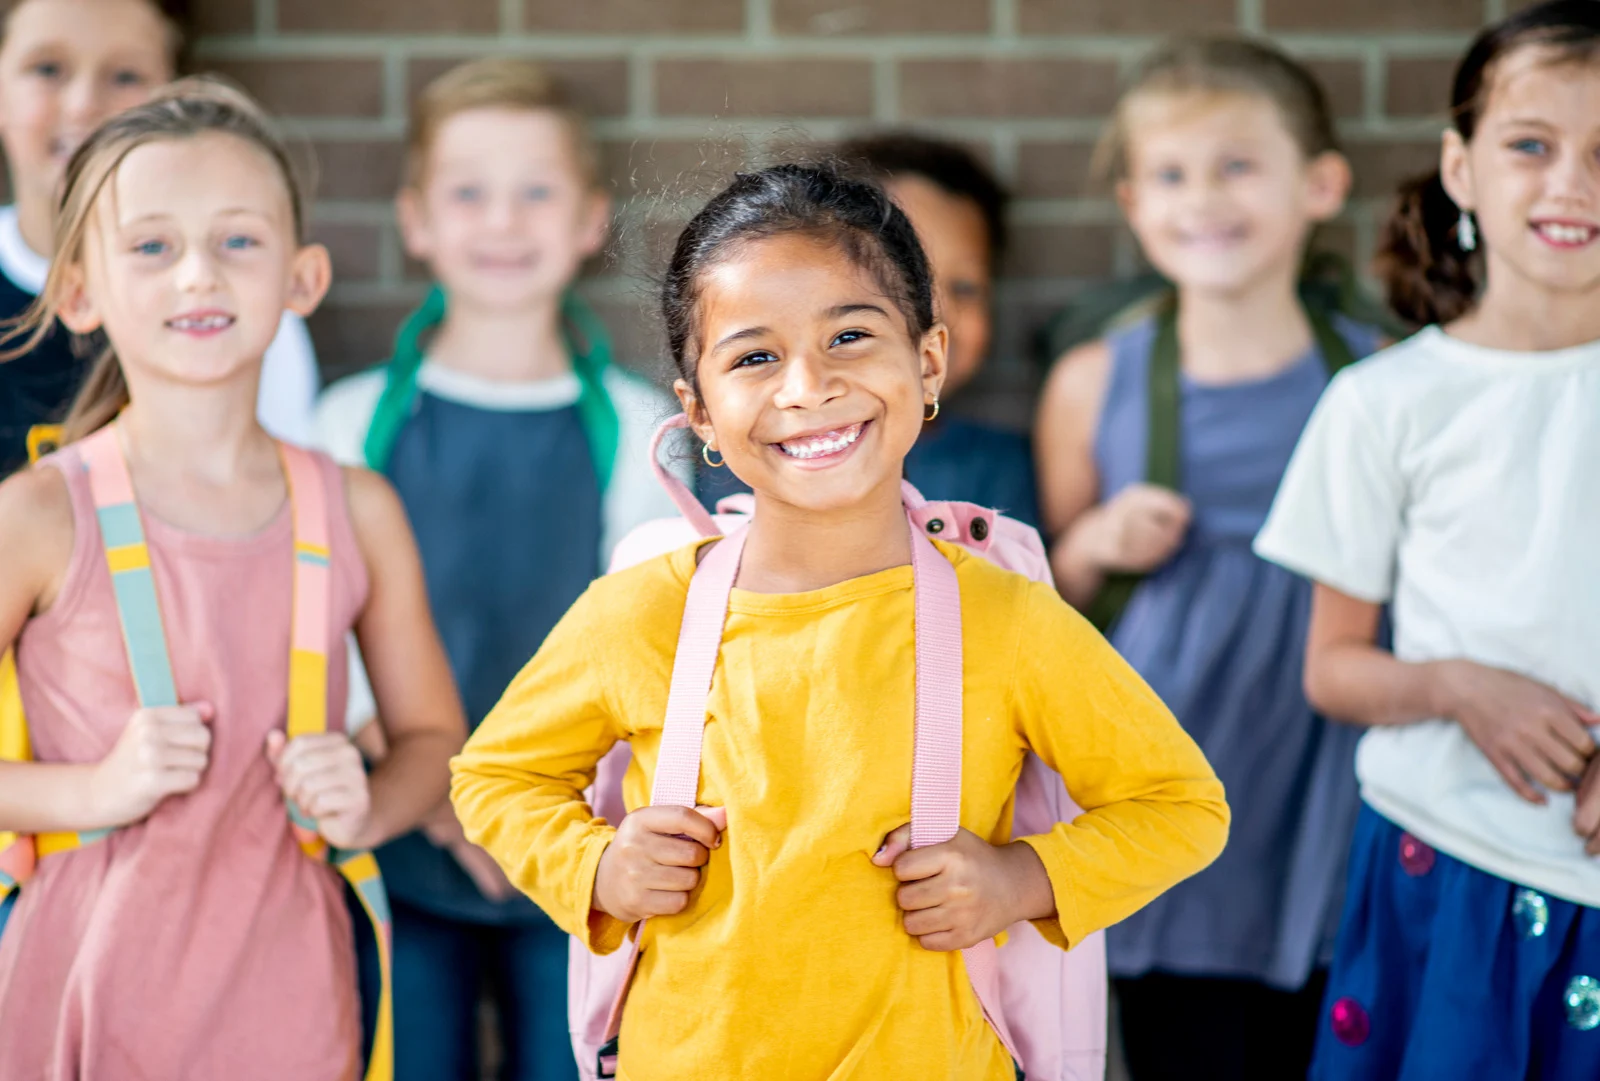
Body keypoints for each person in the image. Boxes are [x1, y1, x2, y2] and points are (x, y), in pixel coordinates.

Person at [450, 162, 1230, 1080]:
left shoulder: (1008, 619)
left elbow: (1181, 807)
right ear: (698, 410)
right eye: (753, 356)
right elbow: (495, 778)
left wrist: (1020, 879)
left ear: (926, 360)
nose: (807, 386)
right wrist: (597, 866)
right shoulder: (640, 612)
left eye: (850, 335)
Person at [0, 79, 463, 1079]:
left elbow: (434, 739)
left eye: (239, 242)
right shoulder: (37, 515)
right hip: (81, 984)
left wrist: (370, 807)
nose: (199, 275)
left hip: (291, 990)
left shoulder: (359, 508)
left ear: (302, 277)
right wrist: (93, 786)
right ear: (80, 289)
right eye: (153, 246)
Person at [314, 57, 678, 1081]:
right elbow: (323, 635)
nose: (503, 220)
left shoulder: (639, 431)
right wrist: (443, 798)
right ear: (417, 220)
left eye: (536, 191)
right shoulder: (351, 423)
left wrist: (541, 822)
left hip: (577, 845)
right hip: (394, 831)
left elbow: (646, 648)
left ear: (589, 219)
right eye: (469, 192)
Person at [1255, 3, 1600, 1077]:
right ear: (1460, 167)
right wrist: (1459, 686)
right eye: (1530, 145)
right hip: (1444, 869)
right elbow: (1332, 669)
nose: (1568, 183)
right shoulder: (1383, 405)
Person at [1034, 36, 1383, 1079]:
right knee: (1188, 1034)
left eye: (1238, 166)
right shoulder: (1097, 382)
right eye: (1174, 175)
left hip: (1333, 754)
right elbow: (1047, 599)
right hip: (1174, 746)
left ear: (1318, 184)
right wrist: (1096, 539)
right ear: (1135, 204)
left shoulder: (1381, 378)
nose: (1205, 199)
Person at [0, 0, 320, 477]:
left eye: (125, 76)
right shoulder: (32, 516)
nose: (84, 103)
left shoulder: (246, 306)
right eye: (47, 69)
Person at [697, 133, 1038, 525]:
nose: (937, 311)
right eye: (914, 279)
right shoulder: (757, 451)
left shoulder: (1003, 463)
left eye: (965, 288)